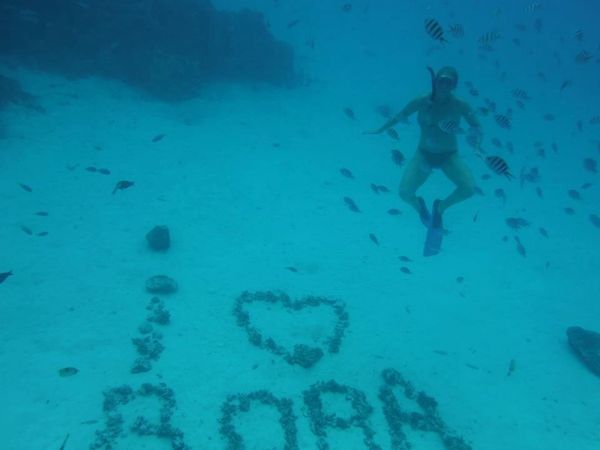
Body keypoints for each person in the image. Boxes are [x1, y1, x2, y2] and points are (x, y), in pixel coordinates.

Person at [366, 66, 482, 229]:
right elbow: (400, 116)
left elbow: (476, 127)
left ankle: (440, 208)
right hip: (424, 155)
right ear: (435, 81)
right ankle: (420, 208)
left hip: (449, 156)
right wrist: (380, 130)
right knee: (405, 193)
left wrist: (477, 146)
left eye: (449, 83)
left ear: (454, 85)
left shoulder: (460, 105)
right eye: (442, 81)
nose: (444, 86)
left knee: (469, 189)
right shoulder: (420, 101)